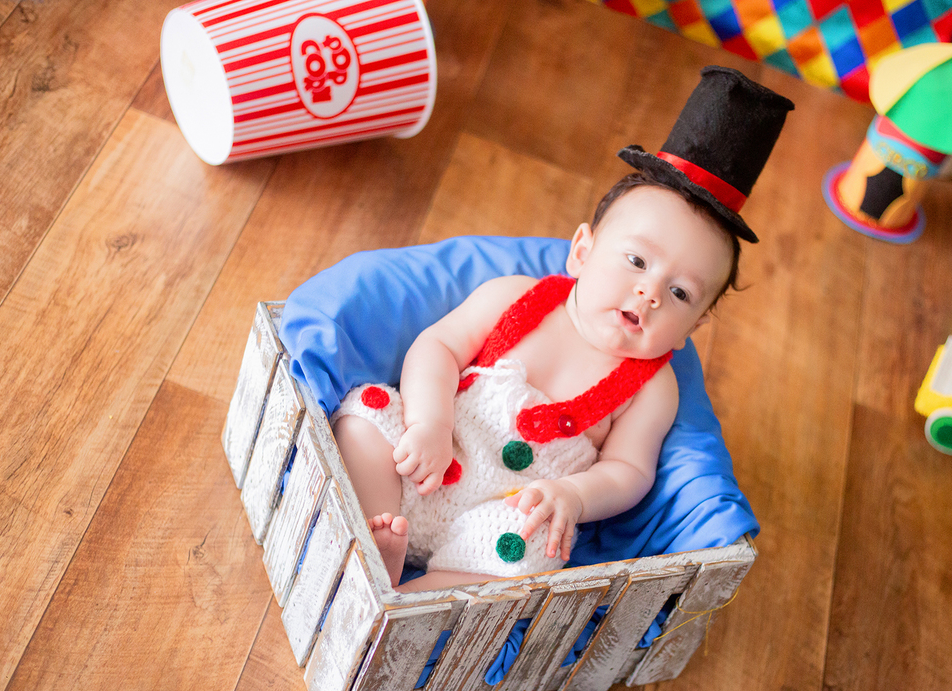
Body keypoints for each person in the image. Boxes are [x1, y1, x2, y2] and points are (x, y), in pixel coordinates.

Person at [331, 67, 793, 591]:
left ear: (694, 326)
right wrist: (430, 422)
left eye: (681, 293)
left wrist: (572, 496)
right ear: (582, 252)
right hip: (428, 460)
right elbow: (435, 347)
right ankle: (374, 538)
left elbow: (629, 472)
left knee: (534, 551)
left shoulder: (651, 388)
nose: (651, 293)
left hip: (497, 520)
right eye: (637, 260)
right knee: (364, 413)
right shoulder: (516, 296)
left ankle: (405, 602)